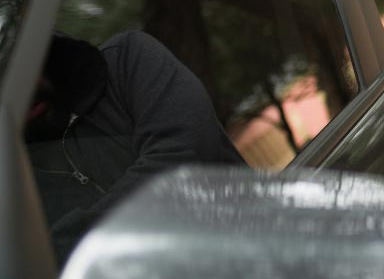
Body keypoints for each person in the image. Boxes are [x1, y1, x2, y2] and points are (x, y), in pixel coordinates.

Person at [24, 31, 245, 264]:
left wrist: (66, 246)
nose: (25, 96)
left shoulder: (125, 61)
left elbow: (185, 155)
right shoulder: (17, 185)